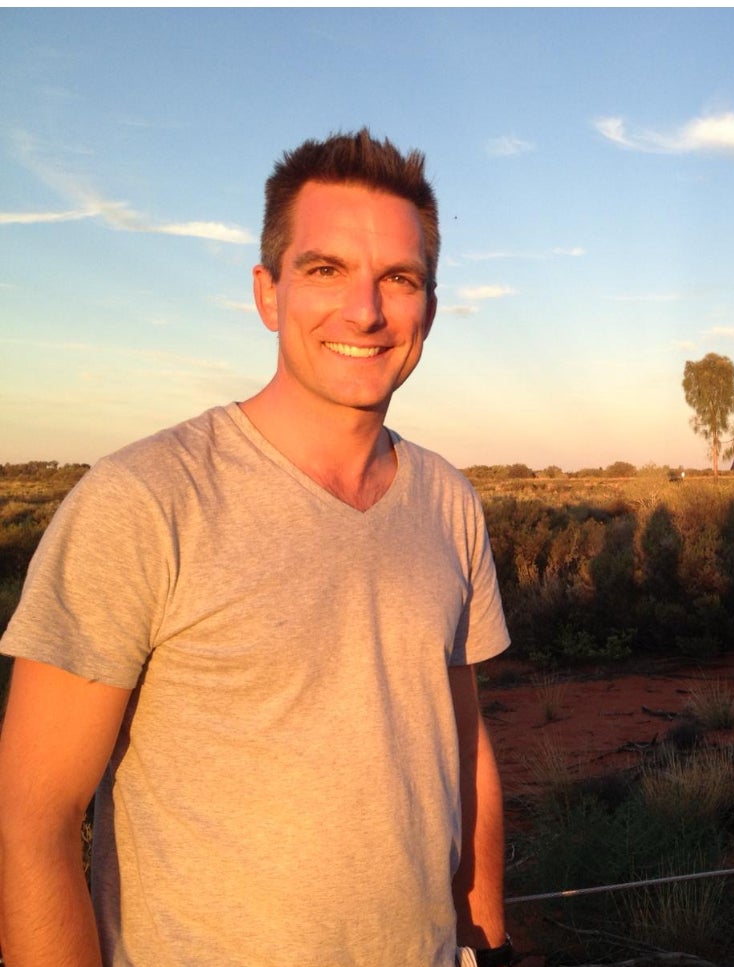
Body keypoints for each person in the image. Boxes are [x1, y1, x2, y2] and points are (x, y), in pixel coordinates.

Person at [0, 130, 513, 967]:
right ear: (267, 293)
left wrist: (485, 937)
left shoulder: (448, 502)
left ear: (428, 303)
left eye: (400, 278)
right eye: (325, 270)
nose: (366, 310)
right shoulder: (145, 501)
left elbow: (463, 746)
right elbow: (31, 823)